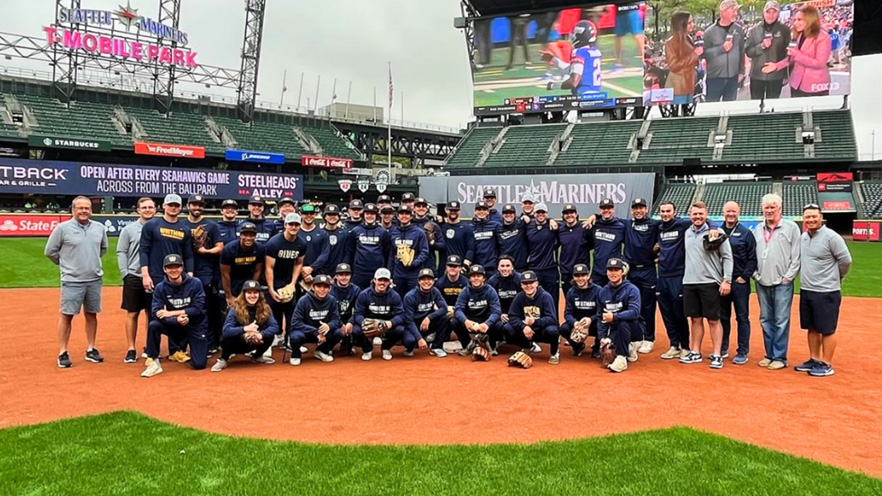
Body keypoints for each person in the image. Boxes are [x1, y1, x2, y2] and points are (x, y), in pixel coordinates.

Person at [44, 195, 109, 368]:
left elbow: (103, 249)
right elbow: (50, 251)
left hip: (94, 279)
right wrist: (66, 264)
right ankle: (63, 351)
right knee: (67, 315)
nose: (83, 211)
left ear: (91, 210)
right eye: (80, 208)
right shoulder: (62, 229)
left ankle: (91, 348)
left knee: (92, 314)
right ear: (73, 210)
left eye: (87, 208)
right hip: (72, 280)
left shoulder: (99, 228)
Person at [795, 204, 851, 377]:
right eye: (807, 217)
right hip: (807, 289)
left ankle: (826, 363)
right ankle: (814, 358)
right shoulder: (804, 236)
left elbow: (846, 261)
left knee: (827, 329)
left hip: (827, 291)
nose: (811, 220)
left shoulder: (831, 237)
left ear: (821, 217)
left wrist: (837, 278)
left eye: (814, 216)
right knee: (812, 327)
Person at [680, 202, 733, 370]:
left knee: (713, 320)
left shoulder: (717, 232)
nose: (698, 217)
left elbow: (727, 257)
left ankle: (717, 354)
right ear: (690, 216)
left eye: (701, 214)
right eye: (695, 214)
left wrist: (727, 279)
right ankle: (695, 351)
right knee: (695, 319)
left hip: (710, 282)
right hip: (690, 282)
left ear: (706, 214)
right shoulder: (687, 232)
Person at [752, 193, 801, 370]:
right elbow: (752, 255)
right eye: (766, 207)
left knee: (781, 319)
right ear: (762, 209)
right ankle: (769, 354)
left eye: (773, 207)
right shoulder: (757, 229)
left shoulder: (791, 227)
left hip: (782, 283)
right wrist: (755, 275)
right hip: (761, 281)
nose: (769, 210)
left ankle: (780, 356)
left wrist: (788, 277)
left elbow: (796, 256)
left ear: (780, 209)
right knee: (765, 319)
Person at [141, 254, 209, 377]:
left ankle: (179, 350)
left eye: (177, 267)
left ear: (182, 268)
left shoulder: (195, 283)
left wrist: (171, 313)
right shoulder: (160, 288)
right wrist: (175, 320)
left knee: (199, 364)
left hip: (194, 325)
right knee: (154, 325)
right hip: (174, 324)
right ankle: (153, 360)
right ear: (164, 269)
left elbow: (198, 309)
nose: (173, 270)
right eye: (170, 267)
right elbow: (156, 313)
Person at [182, 194, 224, 355]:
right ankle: (185, 342)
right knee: (186, 307)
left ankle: (209, 342)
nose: (197, 207)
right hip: (185, 272)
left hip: (206, 272)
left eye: (200, 205)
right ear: (188, 206)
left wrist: (205, 251)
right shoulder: (182, 225)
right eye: (194, 204)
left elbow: (220, 247)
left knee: (206, 309)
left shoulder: (211, 226)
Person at [761, 4, 831, 97]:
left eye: (799, 20)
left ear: (810, 19)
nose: (795, 23)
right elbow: (792, 58)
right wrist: (777, 66)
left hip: (815, 85)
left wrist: (798, 54)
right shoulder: (799, 34)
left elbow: (820, 63)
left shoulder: (823, 37)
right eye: (794, 20)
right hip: (796, 84)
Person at [116, 197, 155, 363]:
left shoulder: (159, 227)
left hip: (155, 277)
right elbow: (121, 251)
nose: (147, 210)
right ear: (138, 210)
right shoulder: (129, 230)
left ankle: (149, 345)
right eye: (144, 207)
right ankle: (131, 348)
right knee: (132, 313)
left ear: (155, 209)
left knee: (151, 314)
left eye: (150, 207)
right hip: (134, 276)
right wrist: (125, 273)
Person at [211, 280, 280, 372]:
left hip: (256, 341)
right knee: (226, 337)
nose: (252, 296)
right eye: (249, 292)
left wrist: (261, 335)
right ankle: (224, 359)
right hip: (237, 343)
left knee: (270, 334)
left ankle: (257, 356)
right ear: (244, 294)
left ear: (260, 294)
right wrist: (245, 329)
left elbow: (275, 326)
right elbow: (226, 330)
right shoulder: (235, 308)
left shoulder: (265, 307)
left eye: (255, 292)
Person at [719, 201, 757, 364]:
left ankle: (742, 351)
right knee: (723, 317)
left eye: (733, 211)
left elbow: (752, 258)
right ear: (723, 213)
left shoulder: (745, 233)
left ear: (738, 213)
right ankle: (722, 347)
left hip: (739, 282)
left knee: (742, 317)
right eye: (728, 211)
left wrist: (744, 277)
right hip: (721, 282)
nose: (731, 214)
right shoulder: (717, 231)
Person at [656, 201, 693, 360]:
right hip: (662, 276)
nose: (665, 214)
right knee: (666, 312)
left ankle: (685, 346)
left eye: (668, 211)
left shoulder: (682, 224)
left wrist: (712, 227)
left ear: (675, 212)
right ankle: (674, 345)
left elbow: (704, 219)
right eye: (663, 211)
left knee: (679, 312)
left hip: (678, 276)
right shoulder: (659, 227)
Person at [264, 213, 306, 345]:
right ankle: (276, 336)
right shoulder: (274, 242)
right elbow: (269, 267)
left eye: (296, 225)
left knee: (291, 311)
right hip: (274, 280)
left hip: (288, 281)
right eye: (291, 224)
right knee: (274, 309)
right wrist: (271, 289)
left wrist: (293, 284)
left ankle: (289, 338)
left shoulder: (301, 243)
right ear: (285, 225)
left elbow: (299, 264)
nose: (294, 227)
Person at [352, 268, 407, 361]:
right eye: (380, 280)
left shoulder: (394, 296)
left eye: (385, 280)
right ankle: (367, 349)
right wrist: (365, 322)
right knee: (356, 331)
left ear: (389, 282)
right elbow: (357, 314)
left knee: (400, 329)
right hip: (368, 325)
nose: (382, 283)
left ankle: (386, 348)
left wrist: (391, 323)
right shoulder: (364, 294)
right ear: (374, 280)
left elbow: (401, 315)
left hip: (386, 325)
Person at [598, 258, 642, 373]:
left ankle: (622, 358)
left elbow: (635, 312)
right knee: (607, 345)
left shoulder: (632, 289)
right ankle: (627, 348)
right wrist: (602, 337)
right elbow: (600, 317)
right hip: (615, 330)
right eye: (610, 270)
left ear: (622, 272)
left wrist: (614, 316)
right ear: (606, 272)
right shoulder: (603, 292)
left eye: (616, 270)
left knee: (623, 322)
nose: (613, 273)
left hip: (634, 329)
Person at [288, 274, 344, 365]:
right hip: (307, 332)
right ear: (313, 287)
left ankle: (322, 351)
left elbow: (336, 319)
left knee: (339, 333)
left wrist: (329, 325)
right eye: (319, 286)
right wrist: (315, 332)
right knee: (295, 336)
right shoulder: (303, 300)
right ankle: (295, 354)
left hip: (324, 333)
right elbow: (295, 322)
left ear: (329, 289)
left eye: (325, 287)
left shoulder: (332, 300)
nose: (322, 289)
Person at [508, 271, 561, 365]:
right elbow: (512, 316)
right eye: (525, 283)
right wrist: (524, 326)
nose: (528, 286)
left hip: (542, 329)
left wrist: (535, 322)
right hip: (527, 330)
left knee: (553, 331)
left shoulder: (545, 296)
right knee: (508, 328)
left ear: (536, 283)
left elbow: (552, 319)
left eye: (531, 283)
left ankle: (554, 353)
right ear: (521, 285)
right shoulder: (519, 297)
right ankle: (527, 346)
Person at [545, 20, 603, 98]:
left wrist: (554, 86)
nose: (572, 35)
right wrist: (553, 59)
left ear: (581, 36)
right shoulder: (594, 51)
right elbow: (572, 69)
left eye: (575, 33)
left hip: (583, 97)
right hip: (597, 95)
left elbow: (573, 82)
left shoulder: (579, 52)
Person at [745, 1, 790, 100]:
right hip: (757, 75)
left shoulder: (785, 30)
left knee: (772, 106)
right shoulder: (753, 30)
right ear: (763, 13)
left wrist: (786, 74)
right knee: (756, 106)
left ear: (778, 13)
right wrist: (761, 46)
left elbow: (788, 54)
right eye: (768, 12)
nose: (771, 15)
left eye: (774, 12)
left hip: (776, 76)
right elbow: (748, 51)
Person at [454, 265, 502, 356]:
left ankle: (491, 344)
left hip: (486, 319)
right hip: (471, 319)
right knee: (454, 322)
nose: (476, 279)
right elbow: (458, 309)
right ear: (470, 278)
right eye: (473, 276)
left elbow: (496, 311)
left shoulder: (490, 291)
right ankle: (468, 345)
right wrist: (466, 321)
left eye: (479, 276)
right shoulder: (465, 291)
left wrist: (487, 323)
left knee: (498, 323)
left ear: (483, 278)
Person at [703, 0, 746, 102]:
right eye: (733, 10)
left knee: (730, 108)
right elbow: (704, 54)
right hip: (715, 78)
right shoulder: (709, 32)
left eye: (736, 10)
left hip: (733, 78)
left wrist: (741, 71)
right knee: (712, 109)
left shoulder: (738, 29)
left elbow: (741, 51)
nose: (736, 13)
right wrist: (721, 49)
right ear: (723, 11)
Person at [388, 204, 430, 298]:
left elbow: (425, 251)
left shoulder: (419, 232)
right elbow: (391, 254)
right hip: (398, 273)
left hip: (414, 274)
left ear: (411, 216)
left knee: (413, 298)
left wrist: (413, 262)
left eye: (407, 214)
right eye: (401, 214)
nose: (404, 216)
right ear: (397, 216)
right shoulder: (393, 232)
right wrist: (390, 273)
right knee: (398, 298)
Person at [560, 263, 602, 358]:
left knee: (603, 326)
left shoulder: (598, 291)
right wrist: (575, 323)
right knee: (563, 329)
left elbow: (601, 312)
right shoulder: (571, 292)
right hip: (578, 324)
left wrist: (590, 319)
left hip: (593, 323)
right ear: (573, 277)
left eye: (583, 275)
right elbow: (567, 313)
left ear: (588, 276)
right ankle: (577, 346)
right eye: (577, 276)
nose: (580, 278)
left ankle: (597, 348)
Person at [220, 222, 266, 307]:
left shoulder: (260, 248)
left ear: (255, 236)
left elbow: (257, 271)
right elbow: (225, 274)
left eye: (251, 235)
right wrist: (229, 296)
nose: (248, 238)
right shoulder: (229, 249)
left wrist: (250, 290)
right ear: (240, 235)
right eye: (245, 235)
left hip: (249, 279)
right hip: (232, 281)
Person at [403, 268, 446, 357]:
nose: (426, 282)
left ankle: (436, 347)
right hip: (414, 324)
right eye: (423, 279)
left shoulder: (435, 292)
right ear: (419, 281)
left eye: (429, 279)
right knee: (409, 341)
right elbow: (409, 320)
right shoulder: (410, 296)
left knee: (444, 318)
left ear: (433, 281)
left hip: (427, 323)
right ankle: (412, 345)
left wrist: (429, 317)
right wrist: (419, 338)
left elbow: (444, 308)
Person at [348, 203, 391, 290]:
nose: (370, 216)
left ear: (376, 216)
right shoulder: (355, 231)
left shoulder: (383, 232)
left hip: (377, 272)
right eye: (367, 214)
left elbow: (387, 253)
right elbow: (351, 252)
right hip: (359, 272)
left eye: (372, 214)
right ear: (363, 215)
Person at [525, 203, 560, 308]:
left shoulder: (553, 226)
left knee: (553, 301)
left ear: (547, 214)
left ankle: (554, 323)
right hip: (534, 269)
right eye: (538, 212)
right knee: (534, 300)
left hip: (550, 269)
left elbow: (568, 224)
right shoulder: (528, 225)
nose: (540, 215)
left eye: (543, 212)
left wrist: (551, 220)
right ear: (534, 214)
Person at [587, 199, 626, 287]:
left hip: (614, 270)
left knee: (615, 298)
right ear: (600, 210)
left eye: (609, 208)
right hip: (598, 270)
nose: (606, 210)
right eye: (603, 208)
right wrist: (595, 216)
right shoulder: (595, 225)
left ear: (613, 210)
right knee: (597, 297)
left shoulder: (620, 226)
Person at [487, 255, 521, 355]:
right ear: (498, 268)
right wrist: (499, 314)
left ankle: (526, 343)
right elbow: (489, 302)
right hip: (499, 314)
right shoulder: (493, 281)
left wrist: (514, 315)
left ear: (512, 267)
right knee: (497, 324)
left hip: (517, 314)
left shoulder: (519, 279)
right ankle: (493, 342)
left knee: (513, 328)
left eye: (507, 266)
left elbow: (525, 300)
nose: (505, 268)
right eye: (502, 266)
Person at [664, 11, 700, 105]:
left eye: (693, 21)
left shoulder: (687, 38)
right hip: (678, 88)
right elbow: (674, 66)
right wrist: (694, 55)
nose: (693, 25)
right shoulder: (671, 43)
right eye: (689, 23)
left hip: (689, 85)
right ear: (681, 25)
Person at [557, 203, 592, 298]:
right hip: (566, 272)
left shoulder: (584, 228)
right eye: (566, 213)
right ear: (563, 216)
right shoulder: (560, 230)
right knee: (569, 300)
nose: (569, 215)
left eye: (572, 212)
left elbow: (592, 245)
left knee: (584, 300)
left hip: (582, 272)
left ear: (576, 214)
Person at [331, 263, 361, 356]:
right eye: (341, 275)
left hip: (349, 319)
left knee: (345, 353)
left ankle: (349, 344)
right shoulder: (330, 290)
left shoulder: (356, 290)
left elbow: (358, 310)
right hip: (334, 320)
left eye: (347, 275)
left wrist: (351, 322)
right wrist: (340, 324)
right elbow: (330, 313)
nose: (344, 277)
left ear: (350, 276)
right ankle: (327, 346)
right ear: (336, 276)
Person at [298, 203, 330, 288]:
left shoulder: (323, 234)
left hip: (317, 274)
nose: (309, 216)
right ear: (301, 214)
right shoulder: (295, 233)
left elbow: (324, 254)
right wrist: (303, 272)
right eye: (305, 213)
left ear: (315, 215)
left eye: (311, 213)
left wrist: (311, 268)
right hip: (297, 274)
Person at [439, 201, 475, 270]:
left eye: (455, 210)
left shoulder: (467, 228)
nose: (453, 212)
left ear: (459, 211)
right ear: (446, 210)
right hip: (443, 268)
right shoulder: (441, 227)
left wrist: (465, 266)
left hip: (459, 268)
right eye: (451, 210)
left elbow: (471, 249)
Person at [413, 197, 445, 275]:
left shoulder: (433, 225)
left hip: (428, 262)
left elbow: (442, 246)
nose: (421, 208)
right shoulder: (409, 224)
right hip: (412, 262)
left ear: (427, 209)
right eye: (418, 206)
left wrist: (432, 243)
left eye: (423, 206)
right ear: (414, 208)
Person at [471, 201, 502, 280]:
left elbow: (501, 245)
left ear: (488, 212)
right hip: (476, 267)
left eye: (484, 209)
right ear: (475, 212)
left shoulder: (495, 226)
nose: (481, 211)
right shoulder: (470, 227)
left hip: (492, 267)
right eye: (479, 209)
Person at [613, 3, 645, 71]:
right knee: (618, 37)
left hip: (632, 8)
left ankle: (644, 62)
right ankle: (618, 64)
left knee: (637, 35)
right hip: (620, 10)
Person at [321, 204, 351, 272]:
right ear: (325, 217)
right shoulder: (319, 233)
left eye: (335, 215)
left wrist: (340, 271)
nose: (332, 217)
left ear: (338, 217)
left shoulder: (344, 234)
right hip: (321, 271)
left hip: (339, 272)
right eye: (329, 215)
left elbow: (346, 254)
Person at [499, 204, 528, 272]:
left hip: (520, 266)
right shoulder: (498, 229)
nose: (508, 215)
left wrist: (549, 220)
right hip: (505, 267)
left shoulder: (521, 225)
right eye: (506, 213)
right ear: (502, 215)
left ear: (515, 215)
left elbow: (538, 219)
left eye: (511, 213)